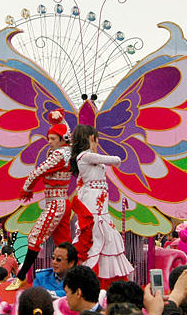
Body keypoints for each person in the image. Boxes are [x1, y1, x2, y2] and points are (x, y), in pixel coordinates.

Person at [7, 109, 73, 291]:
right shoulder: (64, 152)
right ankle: (71, 279)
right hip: (61, 202)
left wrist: (26, 189)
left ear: (62, 139)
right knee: (64, 244)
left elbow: (37, 172)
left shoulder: (60, 155)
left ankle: (20, 277)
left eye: (53, 139)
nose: (49, 142)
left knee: (35, 237)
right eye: (49, 138)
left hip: (56, 203)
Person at [69, 124, 133, 288]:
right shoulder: (85, 156)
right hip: (93, 202)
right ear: (92, 137)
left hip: (99, 201)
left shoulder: (87, 156)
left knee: (105, 236)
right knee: (96, 235)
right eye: (96, 138)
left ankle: (105, 278)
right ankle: (94, 278)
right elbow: (116, 161)